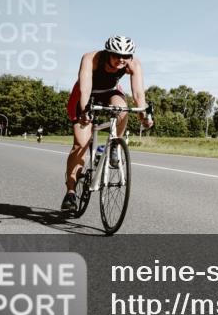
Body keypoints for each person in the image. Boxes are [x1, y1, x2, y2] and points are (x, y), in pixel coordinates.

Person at [61, 36, 153, 211]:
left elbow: (138, 94)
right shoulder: (91, 58)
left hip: (110, 92)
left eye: (126, 56)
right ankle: (70, 192)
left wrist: (143, 115)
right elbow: (85, 88)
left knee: (122, 109)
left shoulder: (133, 64)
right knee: (81, 144)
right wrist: (85, 110)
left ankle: (114, 145)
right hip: (85, 94)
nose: (121, 60)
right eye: (117, 55)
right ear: (108, 53)